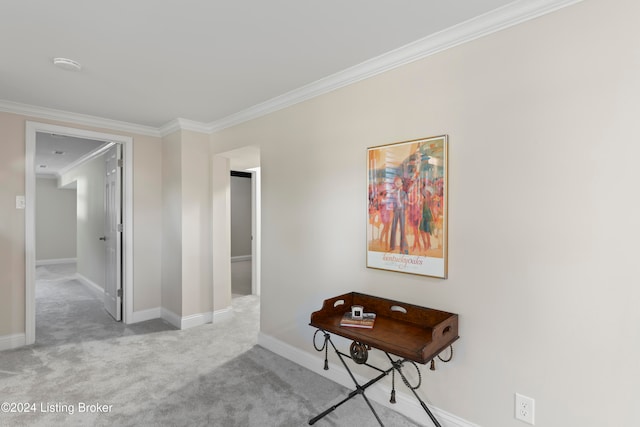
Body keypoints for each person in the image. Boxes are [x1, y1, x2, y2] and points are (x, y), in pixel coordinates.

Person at [389, 175, 408, 253]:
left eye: (399, 183)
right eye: (396, 183)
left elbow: (406, 202)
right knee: (393, 227)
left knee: (402, 228)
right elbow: (390, 202)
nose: (398, 184)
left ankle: (402, 247)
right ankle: (392, 246)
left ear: (401, 184)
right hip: (396, 210)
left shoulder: (404, 193)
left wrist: (404, 207)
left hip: (402, 211)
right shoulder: (393, 192)